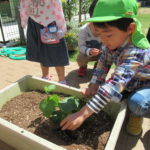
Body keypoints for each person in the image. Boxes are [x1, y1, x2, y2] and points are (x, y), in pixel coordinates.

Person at [60, 0, 150, 136]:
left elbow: (114, 85)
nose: (103, 40)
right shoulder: (109, 43)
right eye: (99, 34)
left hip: (145, 84)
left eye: (107, 35)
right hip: (129, 81)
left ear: (130, 29)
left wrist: (82, 114)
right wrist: (94, 84)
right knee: (109, 97)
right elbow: (102, 64)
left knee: (136, 102)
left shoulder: (135, 52)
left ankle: (137, 115)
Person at [20, 0, 69, 84]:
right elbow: (58, 8)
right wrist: (62, 26)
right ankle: (56, 79)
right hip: (47, 21)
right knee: (54, 51)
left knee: (46, 50)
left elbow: (24, 6)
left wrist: (24, 21)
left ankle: (53, 78)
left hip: (42, 22)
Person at [77, 0, 101, 77]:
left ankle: (98, 67)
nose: (98, 30)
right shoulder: (83, 30)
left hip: (101, 53)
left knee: (107, 54)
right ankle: (83, 67)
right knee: (80, 57)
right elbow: (81, 47)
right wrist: (89, 51)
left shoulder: (104, 28)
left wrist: (101, 50)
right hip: (87, 54)